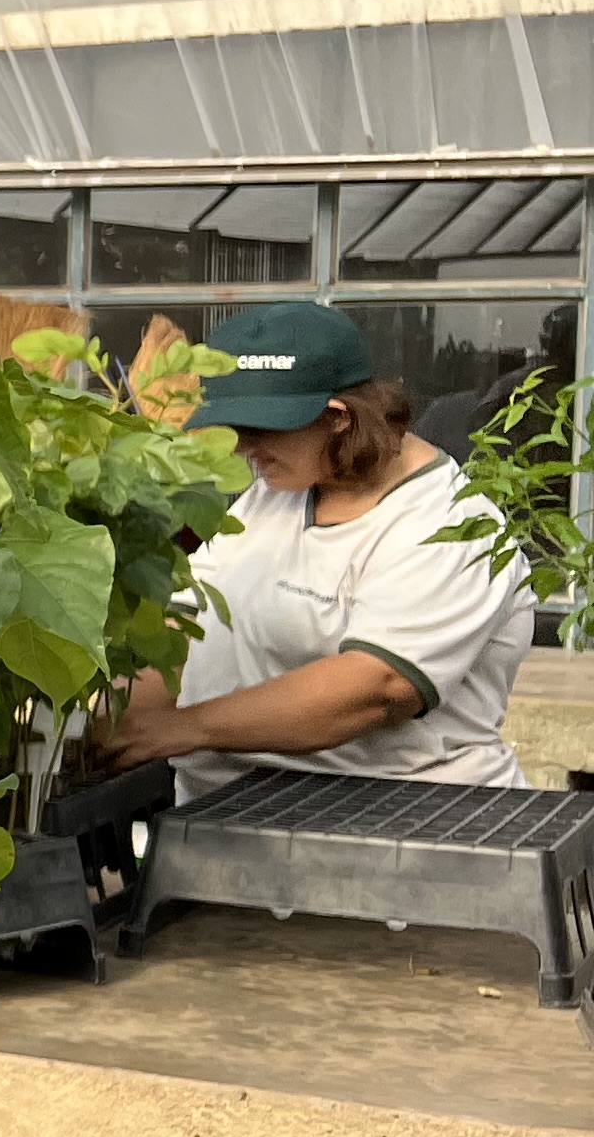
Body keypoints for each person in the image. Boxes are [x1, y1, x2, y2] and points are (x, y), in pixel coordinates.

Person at [98, 300, 535, 800]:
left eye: (259, 432)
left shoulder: (450, 524)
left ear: (338, 419)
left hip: (403, 828)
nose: (242, 448)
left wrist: (180, 729)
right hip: (231, 823)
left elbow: (375, 688)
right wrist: (128, 723)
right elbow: (186, 617)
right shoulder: (276, 491)